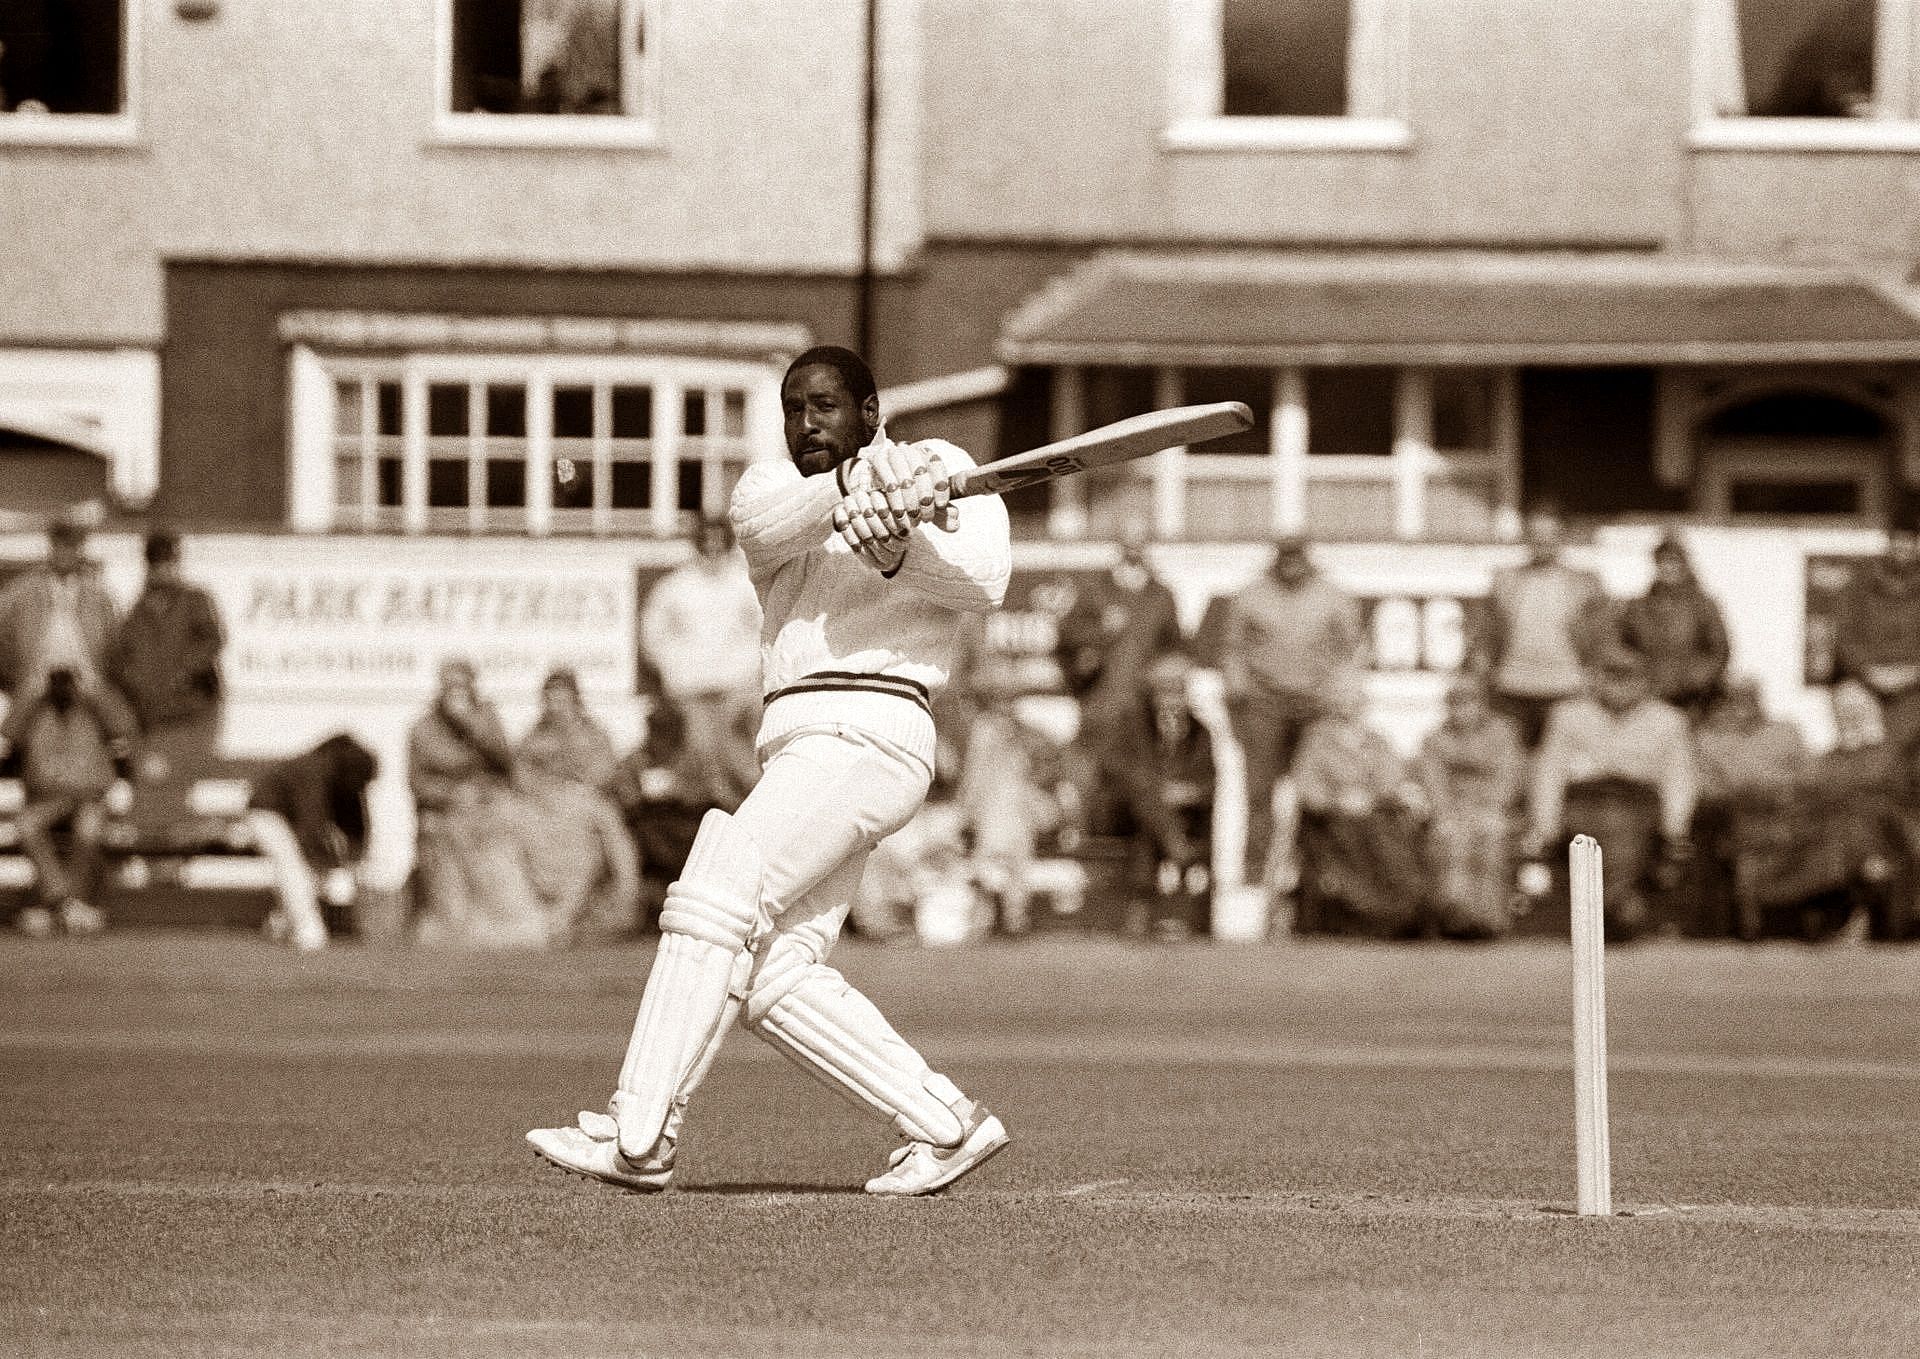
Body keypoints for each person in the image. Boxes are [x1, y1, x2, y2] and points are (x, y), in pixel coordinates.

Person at [528, 343, 1013, 1197]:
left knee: (717, 881)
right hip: (801, 741)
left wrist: (907, 542)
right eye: (793, 408)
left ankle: (641, 1131)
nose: (804, 424)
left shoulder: (943, 468)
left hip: (872, 725)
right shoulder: (769, 487)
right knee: (776, 973)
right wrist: (854, 493)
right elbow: (768, 526)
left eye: (826, 407)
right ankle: (945, 1124)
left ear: (871, 411)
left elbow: (983, 580)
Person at [1218, 534, 1365, 897]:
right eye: (1285, 555)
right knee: (1259, 794)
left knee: (1316, 793)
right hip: (1264, 704)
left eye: (1297, 555)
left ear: (1308, 556)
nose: (1291, 562)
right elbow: (1232, 649)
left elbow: (1353, 650)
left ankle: (1316, 879)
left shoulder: (1334, 596)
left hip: (1317, 706)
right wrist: (1239, 692)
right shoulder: (1251, 594)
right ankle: (1253, 877)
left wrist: (1341, 694)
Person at [1525, 647, 1696, 937]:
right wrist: (1545, 828)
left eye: (1629, 676)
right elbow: (1548, 774)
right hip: (1584, 801)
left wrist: (1674, 829)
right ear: (1597, 677)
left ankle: (1612, 905)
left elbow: (1679, 778)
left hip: (1639, 803)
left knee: (1619, 823)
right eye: (1611, 675)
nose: (1620, 684)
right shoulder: (1568, 715)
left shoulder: (1669, 720)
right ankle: (1616, 906)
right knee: (1603, 823)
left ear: (1645, 680)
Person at [407, 659, 545, 948]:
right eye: (450, 686)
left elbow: (506, 764)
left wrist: (472, 726)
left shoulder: (486, 718)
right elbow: (418, 784)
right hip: (447, 813)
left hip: (488, 810)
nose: (456, 693)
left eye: (462, 686)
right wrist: (453, 793)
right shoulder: (423, 728)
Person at [638, 517, 763, 815]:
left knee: (737, 753)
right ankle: (727, 812)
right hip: (691, 690)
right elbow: (652, 636)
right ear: (698, 545)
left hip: (738, 687)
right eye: (706, 543)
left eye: (719, 543)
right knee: (705, 751)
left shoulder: (745, 584)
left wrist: (751, 677)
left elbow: (766, 629)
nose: (713, 550)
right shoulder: (676, 586)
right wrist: (673, 671)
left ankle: (748, 809)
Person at [107, 529, 229, 837]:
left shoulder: (194, 600)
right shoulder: (137, 612)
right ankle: (161, 872)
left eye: (170, 560)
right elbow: (120, 662)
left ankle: (168, 870)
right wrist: (134, 685)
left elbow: (213, 639)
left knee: (160, 789)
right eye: (158, 561)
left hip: (191, 718)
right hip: (153, 725)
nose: (165, 568)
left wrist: (183, 671)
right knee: (150, 793)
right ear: (149, 565)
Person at [1289, 676, 1429, 937]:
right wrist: (1337, 800)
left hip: (1375, 813)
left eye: (1354, 699)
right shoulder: (1317, 740)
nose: (1349, 705)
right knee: (1349, 838)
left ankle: (1400, 912)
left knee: (1391, 843)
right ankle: (1365, 913)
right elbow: (1305, 785)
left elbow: (1393, 779)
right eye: (1343, 698)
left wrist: (1369, 797)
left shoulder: (1377, 741)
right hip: (1330, 820)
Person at [0, 667, 134, 938]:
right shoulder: (34, 706)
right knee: (26, 825)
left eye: (68, 679)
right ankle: (67, 903)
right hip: (47, 798)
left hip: (90, 796)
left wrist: (94, 690)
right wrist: (33, 691)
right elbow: (9, 734)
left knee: (88, 831)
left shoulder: (95, 704)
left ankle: (63, 906)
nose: (63, 686)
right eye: (57, 679)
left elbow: (123, 727)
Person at [515, 668, 639, 943]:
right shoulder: (535, 738)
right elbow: (522, 776)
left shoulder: (593, 733)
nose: (557, 706)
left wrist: (582, 784)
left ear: (575, 699)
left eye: (563, 699)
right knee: (574, 854)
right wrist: (548, 791)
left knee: (613, 839)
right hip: (550, 807)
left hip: (588, 802)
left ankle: (627, 904)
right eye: (551, 699)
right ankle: (560, 921)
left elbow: (606, 771)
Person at [1473, 504, 1611, 750]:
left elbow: (1602, 637)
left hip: (1567, 687)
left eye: (1550, 535)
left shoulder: (1586, 583)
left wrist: (1594, 677)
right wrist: (1484, 673)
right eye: (1537, 535)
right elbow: (1487, 633)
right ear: (1527, 538)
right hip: (1512, 687)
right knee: (1512, 764)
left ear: (1562, 538)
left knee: (1560, 767)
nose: (1543, 542)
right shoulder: (1505, 581)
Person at [1414, 674, 1526, 938]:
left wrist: (1494, 808)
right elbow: (1432, 781)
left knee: (1490, 841)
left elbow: (1510, 775)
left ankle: (1489, 920)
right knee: (1451, 843)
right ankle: (1456, 917)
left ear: (1481, 705)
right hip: (1452, 809)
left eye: (1468, 703)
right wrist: (1444, 814)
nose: (1461, 710)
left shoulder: (1504, 733)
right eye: (1455, 704)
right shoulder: (1435, 739)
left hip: (1493, 808)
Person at [245, 733, 379, 952]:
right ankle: (309, 934)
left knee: (313, 871)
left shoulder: (350, 778)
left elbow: (356, 826)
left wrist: (356, 859)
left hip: (294, 820)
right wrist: (325, 855)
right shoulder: (314, 769)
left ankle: (279, 926)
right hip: (267, 813)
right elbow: (310, 824)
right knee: (293, 867)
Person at [0, 513, 119, 700]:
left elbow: (114, 644)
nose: (65, 551)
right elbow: (3, 637)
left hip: (89, 686)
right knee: (12, 728)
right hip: (34, 685)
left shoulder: (99, 597)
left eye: (72, 545)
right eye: (60, 544)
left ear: (80, 548)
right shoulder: (22, 592)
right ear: (52, 546)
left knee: (124, 727)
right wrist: (12, 679)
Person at [1613, 532, 1730, 723]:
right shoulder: (1639, 607)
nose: (1669, 567)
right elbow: (1623, 645)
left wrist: (1697, 679)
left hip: (1692, 699)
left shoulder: (1703, 606)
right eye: (1663, 562)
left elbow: (1720, 650)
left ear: (1684, 564)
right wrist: (1635, 680)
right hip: (1650, 696)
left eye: (1674, 561)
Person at [1830, 521, 1920, 762]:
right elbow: (1844, 637)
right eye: (1898, 540)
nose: (1904, 547)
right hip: (1866, 682)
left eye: (1911, 541)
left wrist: (1912, 673)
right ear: (1888, 543)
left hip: (1915, 683)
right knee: (1850, 705)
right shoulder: (1860, 586)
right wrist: (1870, 673)